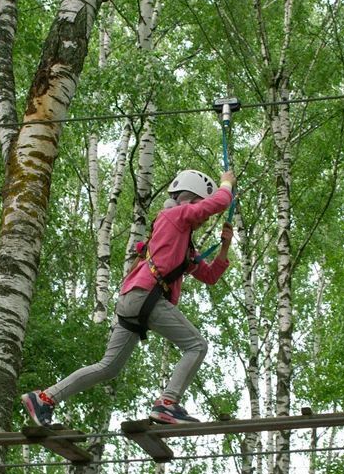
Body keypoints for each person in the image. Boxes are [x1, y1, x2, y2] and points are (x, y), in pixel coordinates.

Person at [22, 169, 237, 425]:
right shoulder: (174, 216)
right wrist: (227, 183)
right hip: (146, 296)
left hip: (135, 300)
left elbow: (210, 276)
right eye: (200, 210)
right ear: (189, 200)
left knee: (108, 367)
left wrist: (225, 247)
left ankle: (45, 398)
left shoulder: (181, 241)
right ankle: (168, 403)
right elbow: (221, 202)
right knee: (197, 346)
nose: (200, 221)